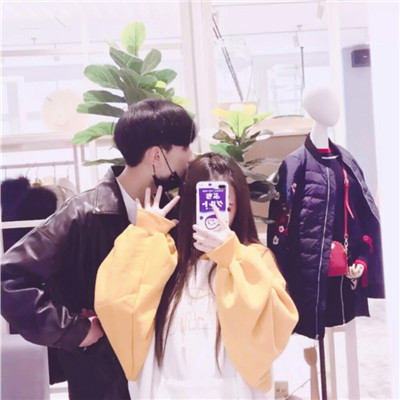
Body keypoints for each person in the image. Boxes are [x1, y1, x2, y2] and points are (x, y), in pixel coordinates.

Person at [1, 98, 197, 400]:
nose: (191, 157)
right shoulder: (81, 214)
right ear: (157, 155)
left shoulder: (178, 212)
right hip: (103, 382)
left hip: (166, 377)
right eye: (185, 147)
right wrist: (74, 330)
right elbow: (9, 279)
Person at [95, 153, 299, 399]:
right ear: (190, 205)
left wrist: (232, 256)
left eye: (226, 208)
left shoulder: (252, 258)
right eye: (205, 207)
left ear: (239, 208)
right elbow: (115, 303)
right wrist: (146, 234)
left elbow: (275, 326)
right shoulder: (164, 258)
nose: (215, 216)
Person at [267, 85, 384, 340]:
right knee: (318, 335)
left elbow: (363, 215)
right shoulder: (295, 164)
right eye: (324, 101)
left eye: (334, 100)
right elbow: (280, 229)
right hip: (312, 276)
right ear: (310, 108)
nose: (334, 108)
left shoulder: (346, 159)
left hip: (348, 271)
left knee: (348, 331)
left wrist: (363, 257)